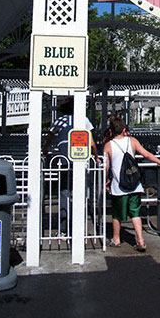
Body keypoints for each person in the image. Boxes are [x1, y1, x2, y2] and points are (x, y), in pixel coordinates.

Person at [104, 115, 160, 251]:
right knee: (135, 213)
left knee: (117, 214)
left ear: (111, 130)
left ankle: (116, 239)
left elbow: (106, 167)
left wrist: (106, 181)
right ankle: (140, 240)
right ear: (124, 129)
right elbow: (147, 154)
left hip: (118, 186)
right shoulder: (132, 141)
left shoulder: (108, 146)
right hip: (134, 183)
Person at [42, 98, 99, 234]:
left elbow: (49, 137)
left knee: (64, 194)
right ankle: (80, 227)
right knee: (82, 194)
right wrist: (96, 156)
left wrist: (45, 150)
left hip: (64, 161)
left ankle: (63, 229)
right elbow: (91, 142)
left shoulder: (59, 121)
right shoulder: (83, 120)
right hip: (81, 160)